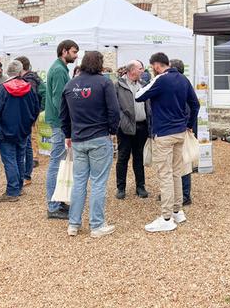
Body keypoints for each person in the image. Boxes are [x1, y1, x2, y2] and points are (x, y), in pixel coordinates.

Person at [135, 52, 199, 233]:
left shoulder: (161, 79)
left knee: (165, 174)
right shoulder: (183, 79)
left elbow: (139, 95)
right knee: (176, 173)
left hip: (163, 133)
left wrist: (151, 82)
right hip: (180, 132)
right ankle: (178, 211)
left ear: (156, 65)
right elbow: (195, 105)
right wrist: (189, 124)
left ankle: (166, 217)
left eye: (151, 67)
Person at [60, 51, 120, 238]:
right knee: (98, 182)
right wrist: (112, 131)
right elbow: (114, 111)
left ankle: (73, 224)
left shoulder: (70, 85)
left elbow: (64, 115)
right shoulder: (104, 83)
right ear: (100, 64)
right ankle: (96, 225)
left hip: (78, 139)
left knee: (78, 182)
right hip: (99, 137)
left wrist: (68, 134)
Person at [0, 60, 40, 202]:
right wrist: (29, 123)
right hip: (23, 129)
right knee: (19, 158)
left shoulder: (3, 88)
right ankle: (19, 187)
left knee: (10, 159)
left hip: (5, 129)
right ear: (20, 72)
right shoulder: (28, 88)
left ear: (7, 72)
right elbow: (36, 108)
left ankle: (12, 191)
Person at [44, 39, 79, 220]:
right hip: (59, 122)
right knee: (56, 163)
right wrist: (67, 123)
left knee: (59, 162)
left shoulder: (60, 68)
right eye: (73, 52)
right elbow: (59, 100)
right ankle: (52, 205)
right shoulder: (58, 70)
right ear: (64, 51)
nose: (76, 55)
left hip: (59, 121)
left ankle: (58, 201)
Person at [114, 59, 152, 200]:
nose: (143, 71)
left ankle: (140, 187)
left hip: (141, 127)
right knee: (123, 157)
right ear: (132, 70)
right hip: (125, 128)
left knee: (139, 157)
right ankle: (120, 188)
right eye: (140, 68)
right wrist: (121, 122)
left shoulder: (143, 84)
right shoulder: (118, 85)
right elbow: (114, 107)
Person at [15, 56, 46, 186]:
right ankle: (27, 172)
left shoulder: (30, 80)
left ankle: (27, 174)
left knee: (29, 141)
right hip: (30, 115)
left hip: (28, 116)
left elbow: (32, 98)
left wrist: (36, 111)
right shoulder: (31, 78)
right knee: (28, 141)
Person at [169, 58, 195, 206]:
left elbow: (191, 106)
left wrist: (188, 125)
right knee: (175, 163)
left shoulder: (181, 84)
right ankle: (177, 194)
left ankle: (185, 195)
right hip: (178, 128)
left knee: (184, 163)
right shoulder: (180, 83)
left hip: (181, 129)